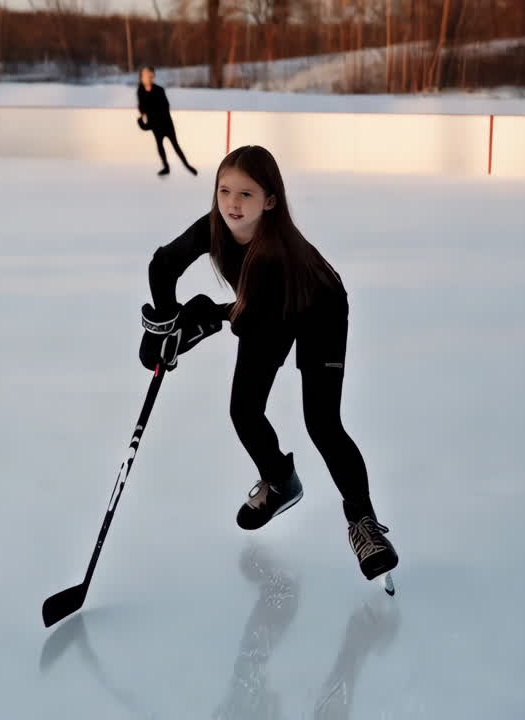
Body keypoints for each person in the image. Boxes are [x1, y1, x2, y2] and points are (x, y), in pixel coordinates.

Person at [138, 145, 398, 584]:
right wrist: (167, 321)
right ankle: (280, 481)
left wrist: (203, 319)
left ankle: (364, 523)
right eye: (224, 191)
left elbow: (252, 317)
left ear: (270, 200)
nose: (232, 204)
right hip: (264, 310)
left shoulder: (276, 253)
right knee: (244, 410)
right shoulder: (215, 228)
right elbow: (163, 265)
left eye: (246, 194)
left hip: (321, 311)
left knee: (322, 422)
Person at [136, 66, 196, 178]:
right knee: (160, 145)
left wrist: (149, 115)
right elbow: (142, 107)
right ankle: (166, 167)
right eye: (143, 75)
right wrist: (144, 117)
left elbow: (165, 107)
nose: (144, 77)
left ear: (151, 76)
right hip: (155, 124)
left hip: (166, 123)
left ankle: (187, 165)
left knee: (175, 145)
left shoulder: (159, 90)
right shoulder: (140, 90)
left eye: (146, 74)